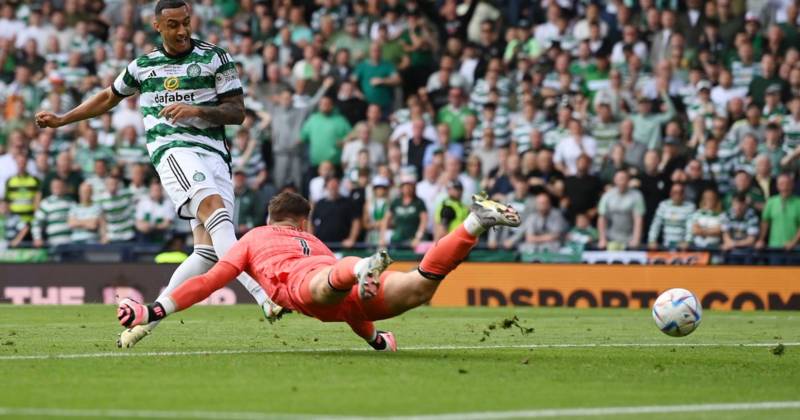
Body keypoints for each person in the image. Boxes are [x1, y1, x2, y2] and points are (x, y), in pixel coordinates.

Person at [33, 0, 274, 348]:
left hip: (215, 155)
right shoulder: (143, 66)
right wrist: (62, 119)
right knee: (215, 213)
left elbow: (237, 113)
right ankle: (265, 296)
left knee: (207, 253)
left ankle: (147, 320)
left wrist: (196, 109)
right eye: (173, 24)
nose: (182, 31)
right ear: (157, 26)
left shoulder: (215, 57)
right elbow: (107, 97)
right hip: (173, 150)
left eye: (186, 23)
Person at [117, 191, 522, 351]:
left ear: (271, 216)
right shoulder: (317, 242)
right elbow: (348, 311)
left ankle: (361, 266)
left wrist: (154, 310)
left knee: (323, 285)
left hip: (310, 285)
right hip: (349, 287)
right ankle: (475, 223)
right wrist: (376, 339)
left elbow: (207, 282)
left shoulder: (252, 238)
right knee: (419, 287)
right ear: (303, 223)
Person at [597, 170, 645, 250]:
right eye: (619, 179)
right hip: (611, 238)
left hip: (630, 239)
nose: (621, 182)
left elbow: (638, 219)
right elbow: (602, 218)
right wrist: (602, 239)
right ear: (614, 180)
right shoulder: (607, 196)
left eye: (624, 179)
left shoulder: (637, 196)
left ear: (628, 180)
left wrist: (636, 239)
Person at [756, 173, 800, 259]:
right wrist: (761, 240)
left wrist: (793, 242)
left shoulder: (798, 203)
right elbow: (765, 223)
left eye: (787, 184)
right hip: (774, 248)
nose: (785, 187)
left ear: (792, 185)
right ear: (777, 186)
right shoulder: (771, 202)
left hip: (795, 249)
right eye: (781, 184)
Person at [648, 183, 696, 250]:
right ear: (670, 193)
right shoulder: (663, 205)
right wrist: (652, 240)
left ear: (684, 194)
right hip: (665, 245)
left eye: (680, 192)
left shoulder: (690, 207)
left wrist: (687, 241)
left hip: (683, 246)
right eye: (675, 192)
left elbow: (690, 227)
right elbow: (656, 224)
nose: (677, 194)